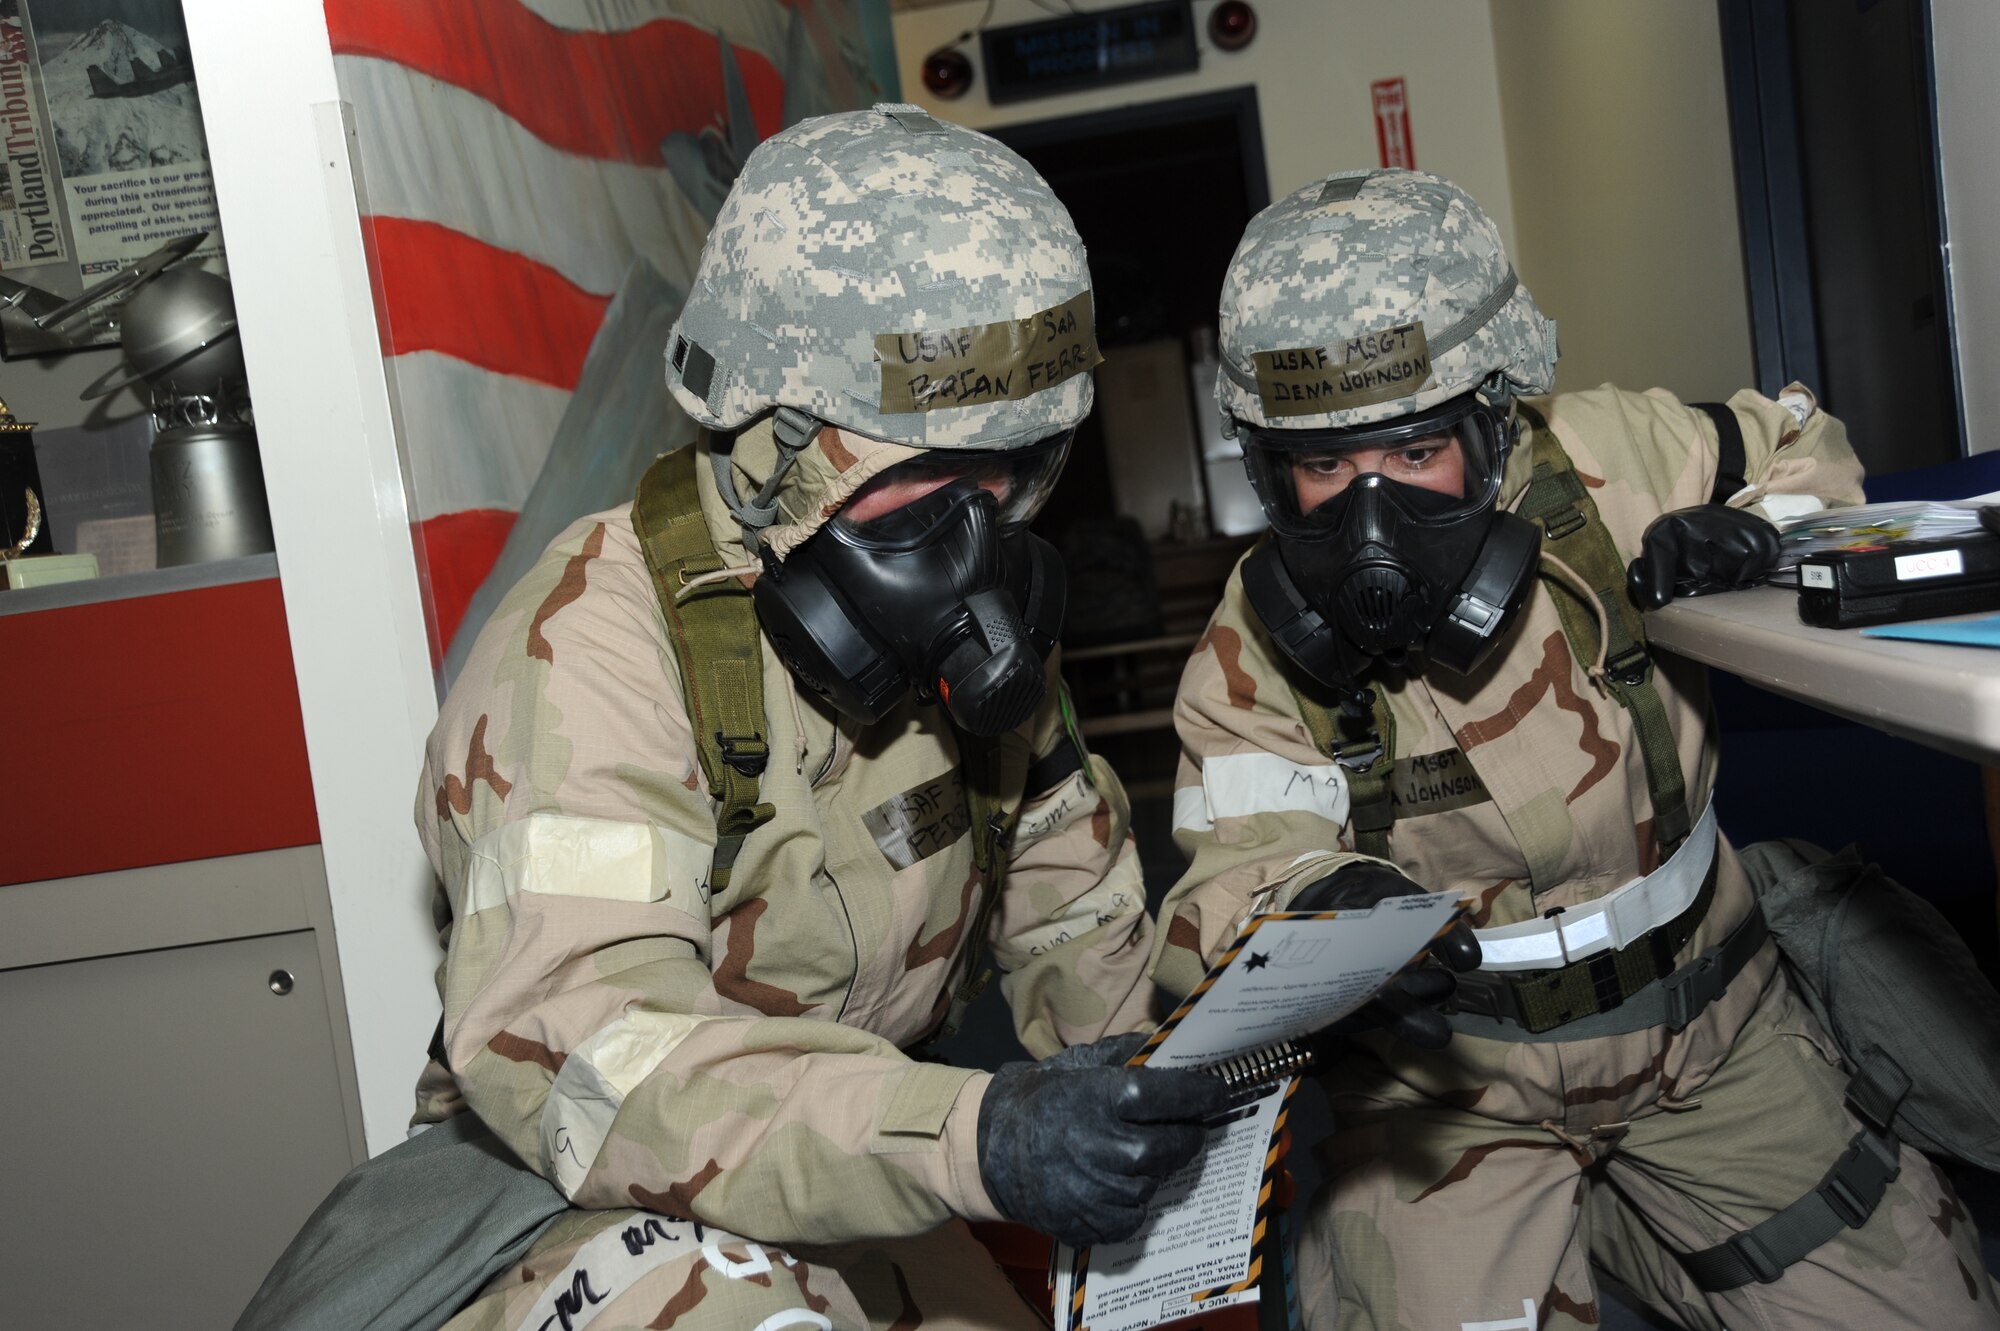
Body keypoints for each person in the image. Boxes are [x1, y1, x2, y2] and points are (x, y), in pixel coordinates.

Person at [410, 105, 1229, 1330]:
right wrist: (972, 1131)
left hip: (847, 1155)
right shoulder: (586, 655)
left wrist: (1166, 1080)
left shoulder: (968, 619)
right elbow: (596, 1054)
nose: (972, 541)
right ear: (766, 442)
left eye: (1009, 472)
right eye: (921, 481)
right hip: (582, 1188)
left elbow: (1072, 905)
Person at [1153, 168, 1998, 1331]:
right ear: (1266, 468)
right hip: (1449, 1095)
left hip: (1710, 1033)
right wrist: (1325, 904)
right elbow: (1227, 879)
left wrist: (1760, 531)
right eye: (1322, 468)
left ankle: (1621, 1221)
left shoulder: (1608, 461)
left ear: (1491, 423)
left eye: (1410, 456)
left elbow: (1809, 448)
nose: (1369, 519)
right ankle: (1559, 1226)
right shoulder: (1250, 652)